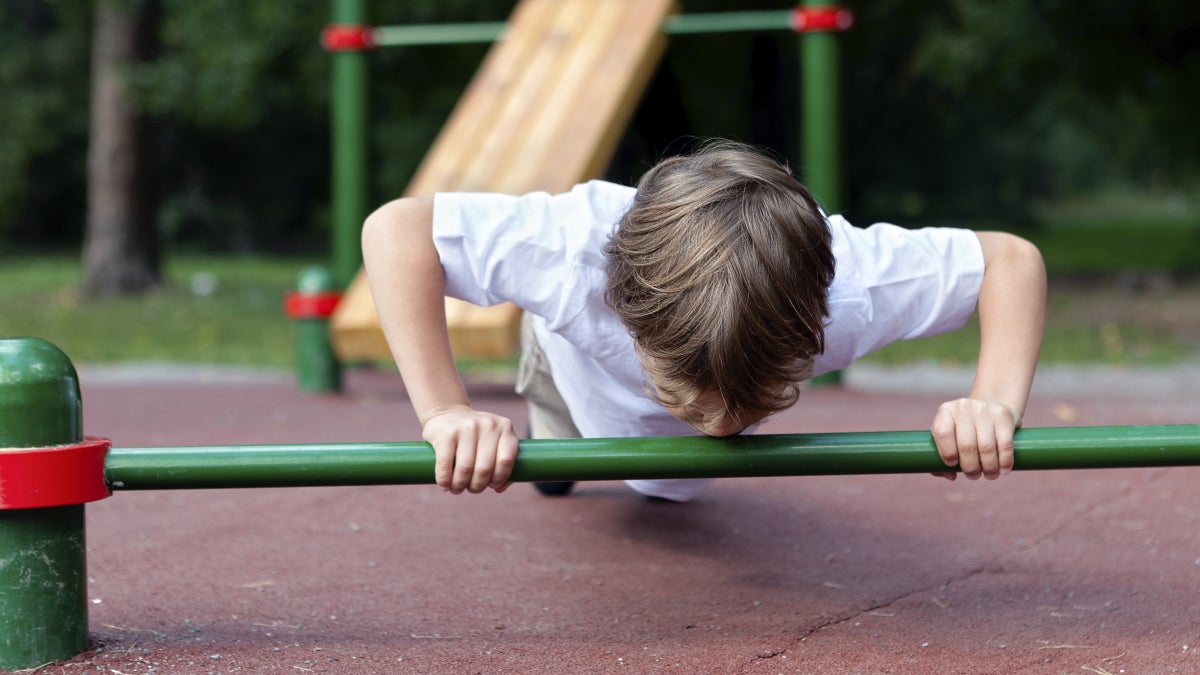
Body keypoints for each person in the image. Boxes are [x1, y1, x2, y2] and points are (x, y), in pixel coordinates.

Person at [361, 141, 1046, 501]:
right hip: (578, 376)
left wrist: (992, 399)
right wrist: (445, 410)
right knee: (563, 438)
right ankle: (558, 424)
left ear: (813, 323)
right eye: (693, 393)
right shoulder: (566, 252)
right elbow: (397, 231)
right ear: (623, 305)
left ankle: (658, 462)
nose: (723, 424)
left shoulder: (855, 282)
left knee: (669, 493)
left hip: (664, 453)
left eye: (753, 398)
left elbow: (1009, 262)